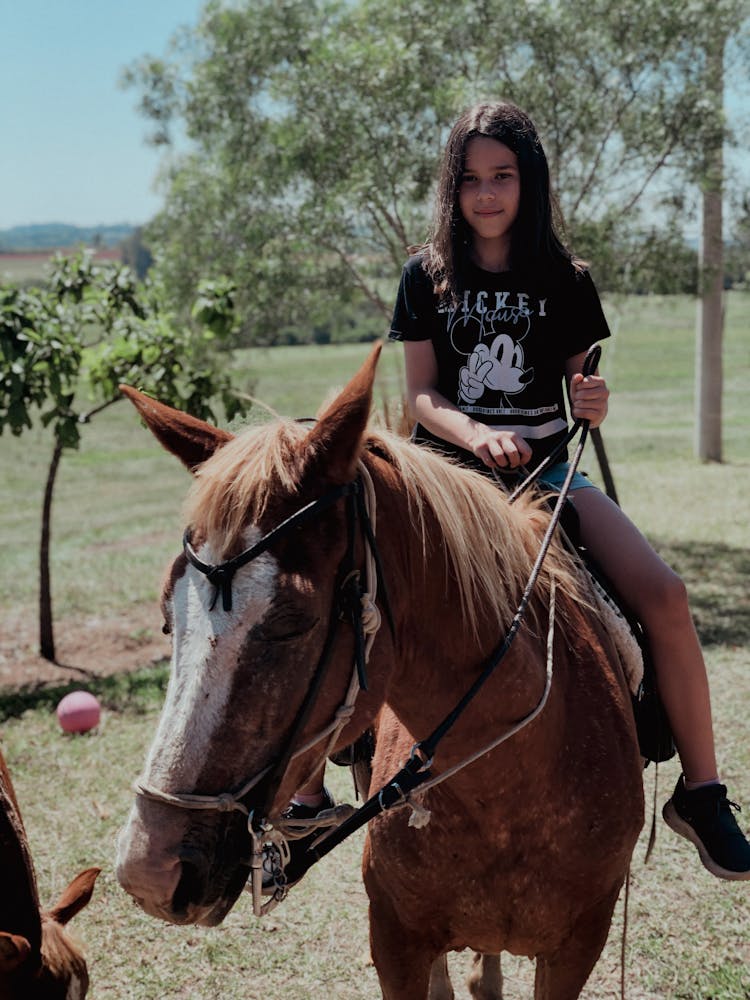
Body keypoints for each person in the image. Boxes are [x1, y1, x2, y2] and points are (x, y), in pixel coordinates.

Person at [277, 100, 750, 884]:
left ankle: (702, 795)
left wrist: (591, 400)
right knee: (334, 598)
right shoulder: (425, 275)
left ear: (530, 183)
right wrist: (474, 436)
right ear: (451, 188)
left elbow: (580, 386)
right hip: (445, 484)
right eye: (471, 179)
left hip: (548, 477)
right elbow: (422, 395)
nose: (487, 194)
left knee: (664, 595)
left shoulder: (566, 281)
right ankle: (304, 796)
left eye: (503, 177)